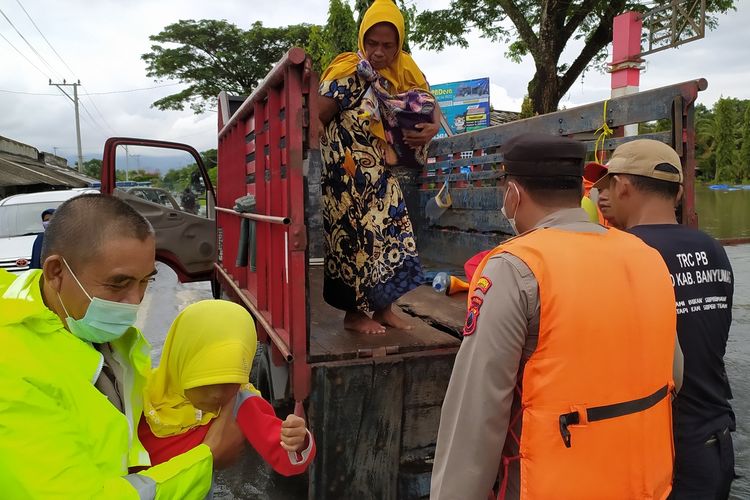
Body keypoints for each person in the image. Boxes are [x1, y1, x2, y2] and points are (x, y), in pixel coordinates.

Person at [431, 133, 683, 500]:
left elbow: (477, 413)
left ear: (513, 194)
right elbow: (674, 374)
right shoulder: (646, 256)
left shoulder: (515, 267)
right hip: (647, 485)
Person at [0, 194, 220, 498]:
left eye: (146, 281)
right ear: (56, 272)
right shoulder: (11, 367)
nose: (135, 301)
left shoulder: (86, 323)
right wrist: (206, 460)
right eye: (119, 284)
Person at [593, 139, 736, 499]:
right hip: (714, 442)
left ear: (624, 185)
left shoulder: (620, 254)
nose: (600, 195)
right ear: (676, 194)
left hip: (657, 454)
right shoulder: (713, 249)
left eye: (606, 184)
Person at [317, 0, 440, 334]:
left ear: (398, 44)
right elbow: (319, 116)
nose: (379, 52)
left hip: (380, 171)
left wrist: (434, 125)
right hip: (345, 173)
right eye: (372, 43)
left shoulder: (404, 71)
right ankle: (355, 315)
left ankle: (384, 308)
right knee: (355, 240)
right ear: (362, 40)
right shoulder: (346, 70)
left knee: (393, 233)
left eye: (388, 45)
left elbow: (428, 105)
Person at [139, 299, 316, 476]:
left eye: (230, 381)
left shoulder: (240, 402)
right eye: (205, 382)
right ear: (179, 363)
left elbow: (285, 456)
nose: (217, 394)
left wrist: (298, 441)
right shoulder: (137, 394)